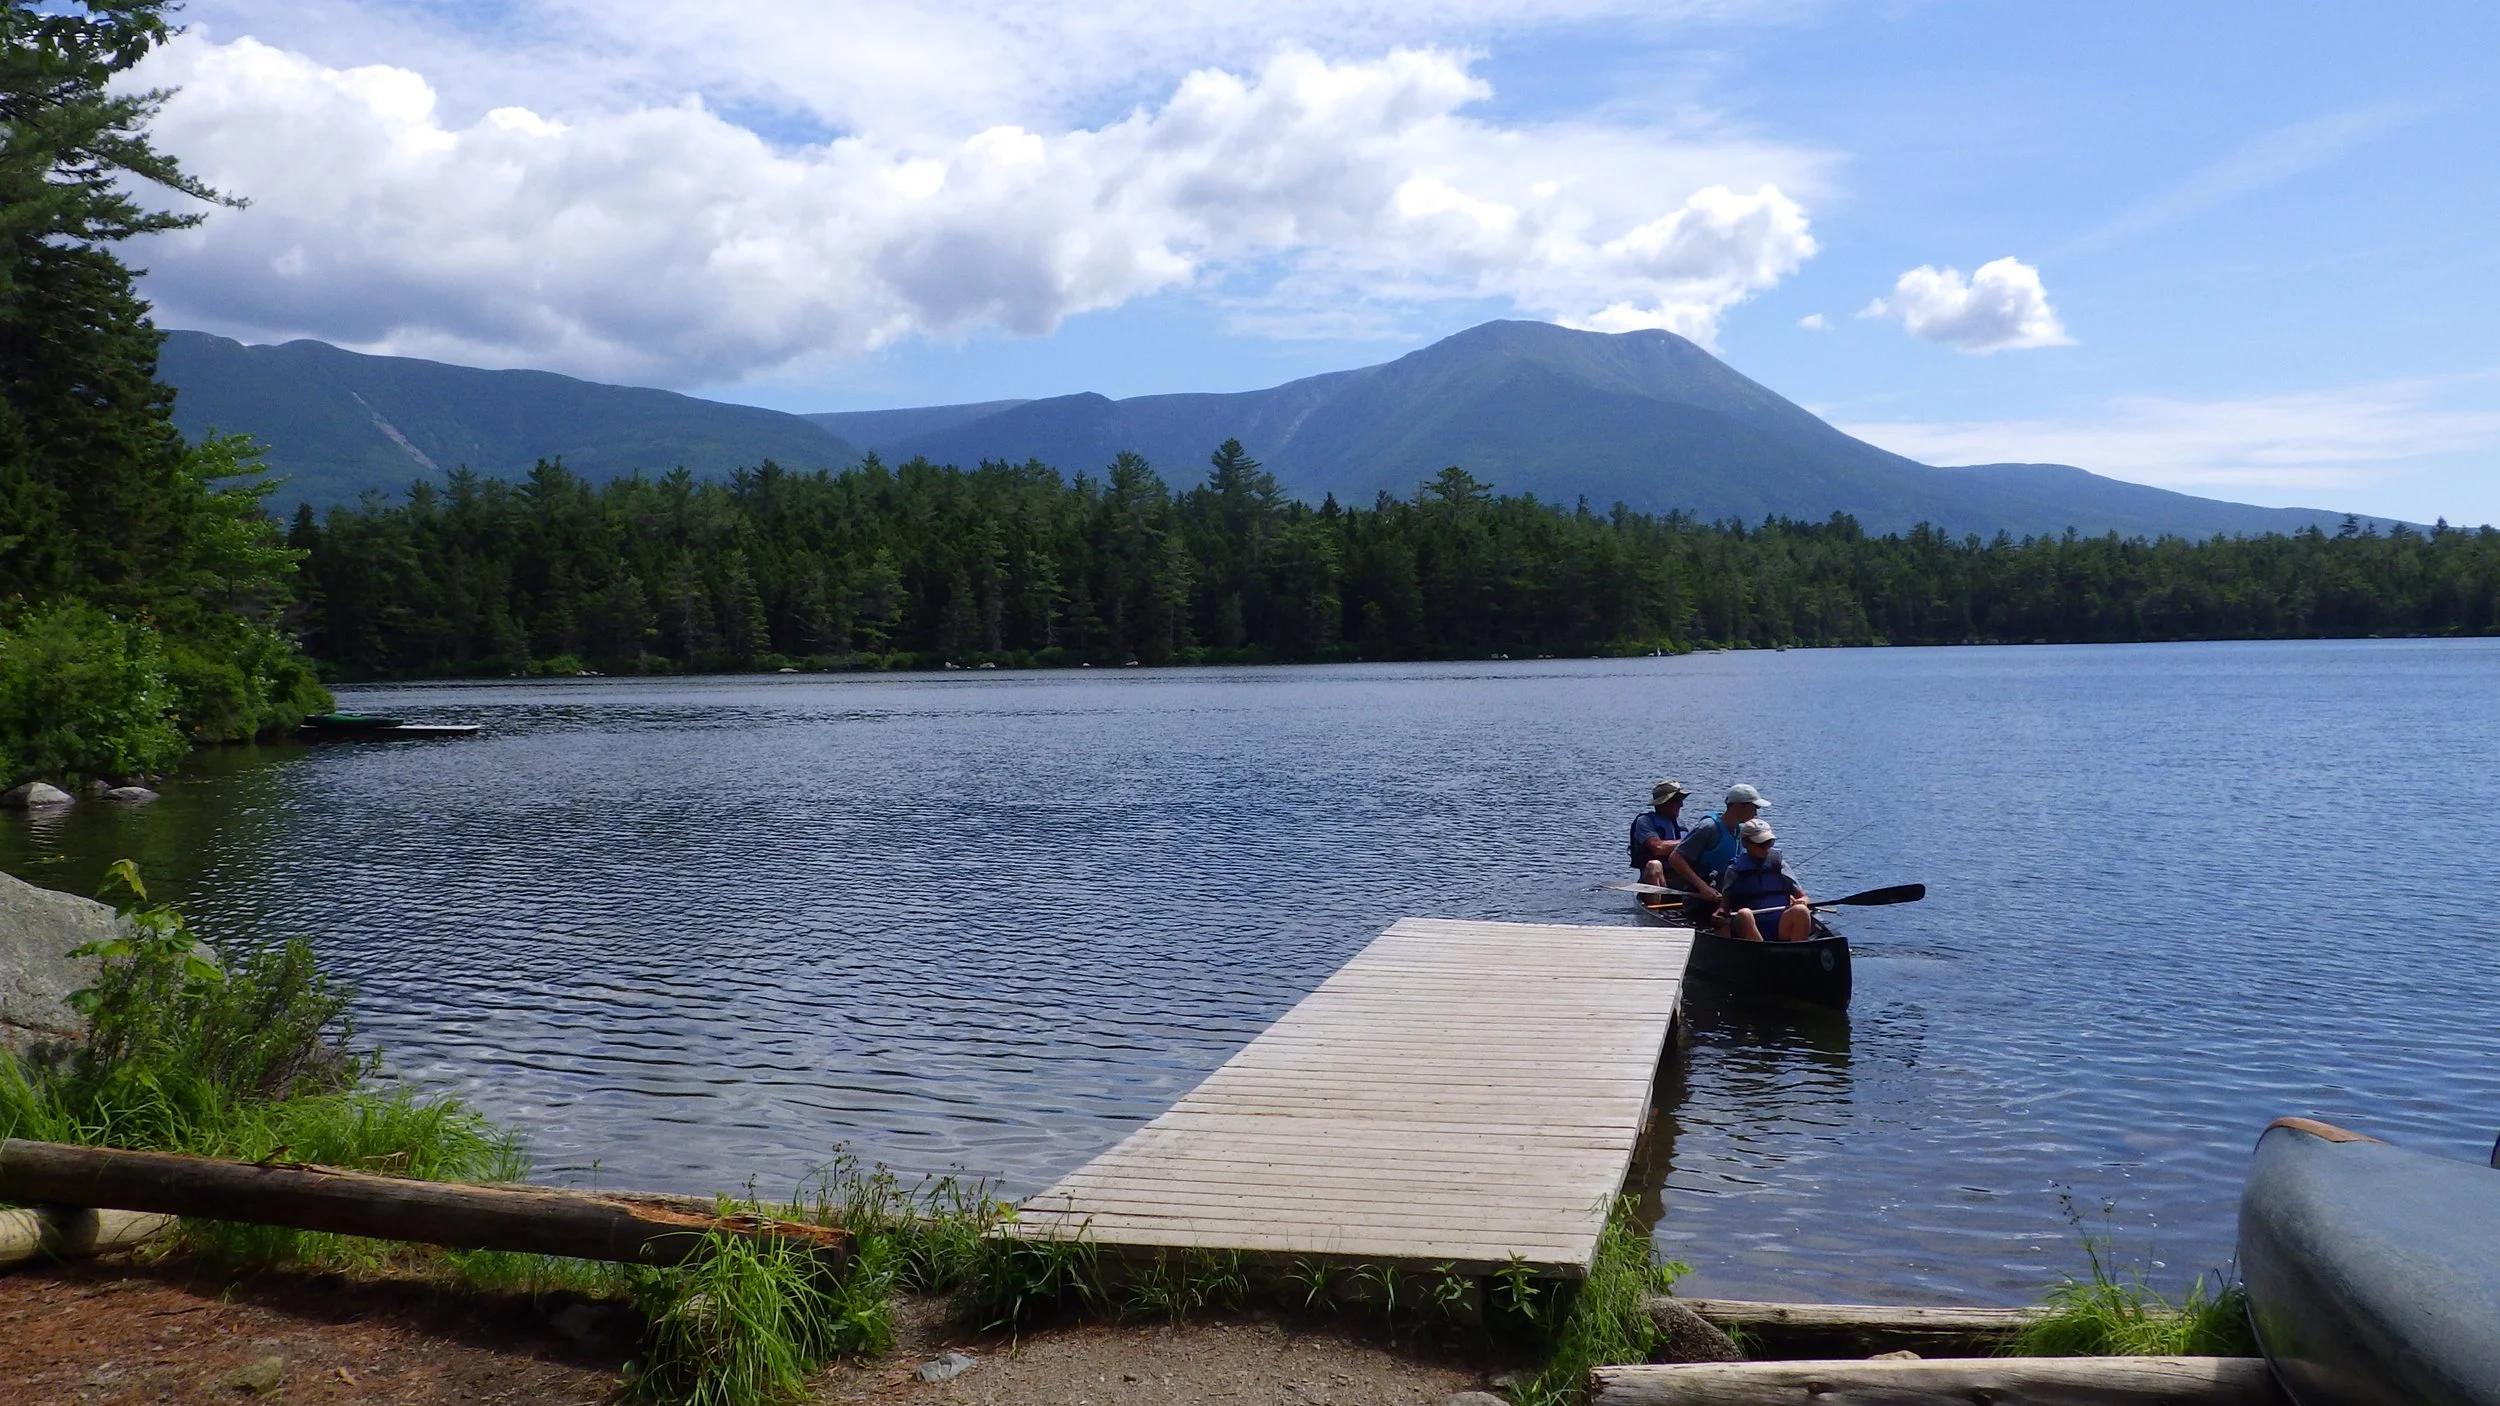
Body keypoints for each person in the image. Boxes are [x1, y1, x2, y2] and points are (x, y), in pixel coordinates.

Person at [1716, 817, 1814, 942]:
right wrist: (1719, 915)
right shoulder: (1735, 870)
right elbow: (1724, 907)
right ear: (1745, 843)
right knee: (1744, 914)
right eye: (1760, 844)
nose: (1766, 848)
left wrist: (1802, 901)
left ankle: (1798, 952)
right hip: (1749, 927)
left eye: (1769, 843)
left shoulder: (1779, 865)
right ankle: (1762, 952)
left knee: (1801, 911)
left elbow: (1803, 896)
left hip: (1780, 925)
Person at [1668, 783, 1769, 904]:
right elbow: (1675, 858)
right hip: (1700, 900)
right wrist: (1703, 887)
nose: (1756, 814)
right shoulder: (1708, 828)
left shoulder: (1741, 830)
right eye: (1754, 808)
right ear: (1739, 806)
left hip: (1726, 898)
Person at [1628, 780, 1690, 888]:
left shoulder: (1680, 824)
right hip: (1654, 878)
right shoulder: (1644, 821)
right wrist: (1690, 842)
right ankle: (1653, 902)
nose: (1681, 804)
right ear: (1663, 803)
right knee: (1654, 865)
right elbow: (1658, 848)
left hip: (1681, 877)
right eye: (1677, 800)